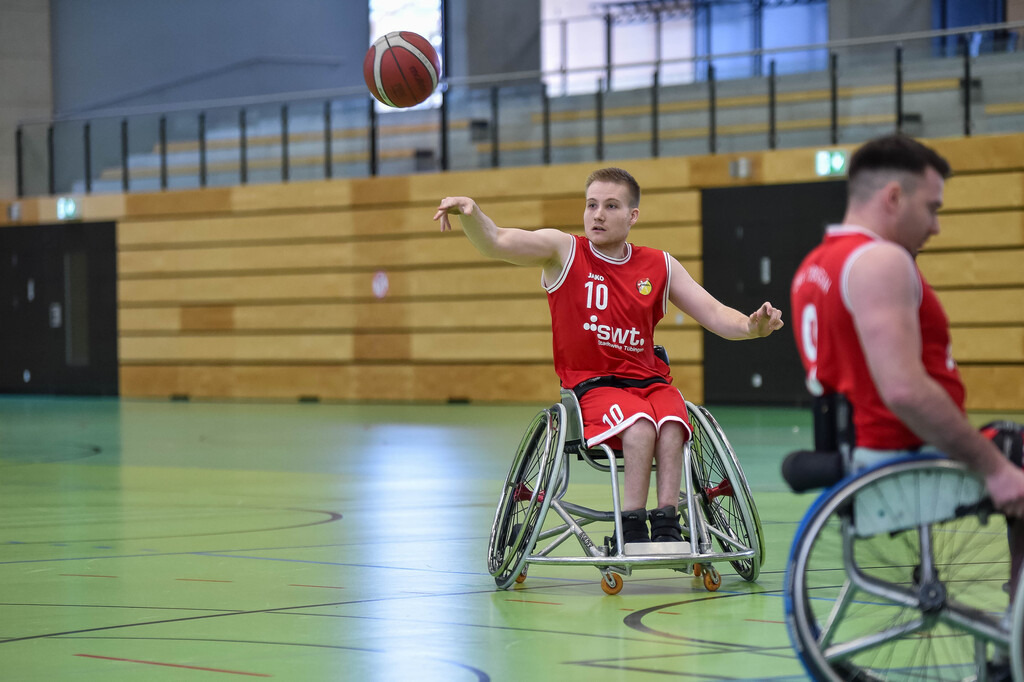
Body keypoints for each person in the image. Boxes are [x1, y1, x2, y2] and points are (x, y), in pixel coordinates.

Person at [434, 167, 783, 545]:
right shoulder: (564, 250)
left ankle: (666, 520)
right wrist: (472, 214)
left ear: (632, 215)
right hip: (592, 385)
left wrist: (751, 327)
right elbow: (498, 241)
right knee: (640, 426)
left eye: (611, 205)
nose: (597, 214)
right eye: (592, 205)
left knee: (673, 424)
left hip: (649, 381)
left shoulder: (660, 265)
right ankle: (630, 524)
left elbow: (714, 313)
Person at [790, 133, 1024, 547]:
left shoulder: (813, 266)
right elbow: (904, 391)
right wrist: (996, 469)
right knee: (1013, 446)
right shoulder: (881, 260)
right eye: (931, 209)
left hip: (853, 448)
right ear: (894, 197)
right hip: (903, 454)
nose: (936, 226)